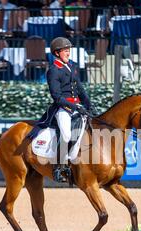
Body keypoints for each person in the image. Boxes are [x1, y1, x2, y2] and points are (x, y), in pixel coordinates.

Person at [44, 37, 94, 182]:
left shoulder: (71, 67)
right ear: (57, 53)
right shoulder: (54, 70)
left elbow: (80, 89)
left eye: (69, 50)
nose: (68, 53)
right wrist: (75, 106)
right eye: (66, 50)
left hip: (77, 107)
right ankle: (58, 167)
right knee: (66, 136)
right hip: (63, 109)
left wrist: (89, 105)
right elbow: (57, 97)